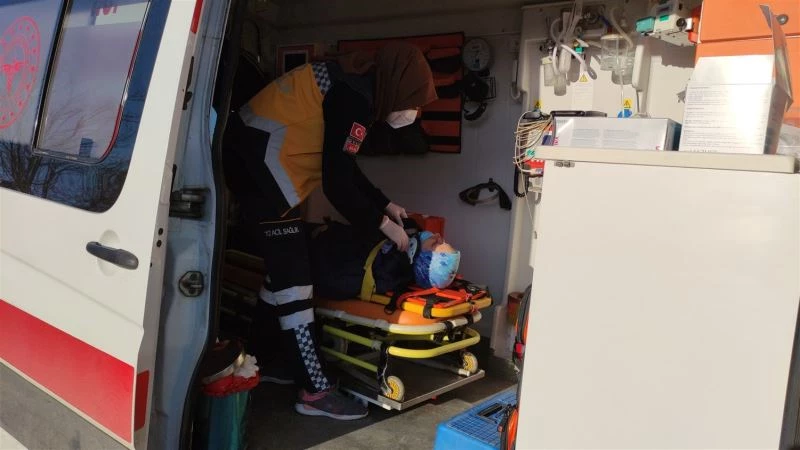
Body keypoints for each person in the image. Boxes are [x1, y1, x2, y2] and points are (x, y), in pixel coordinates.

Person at [221, 42, 438, 420]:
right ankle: (315, 391)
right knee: (295, 283)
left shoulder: (352, 84)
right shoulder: (354, 99)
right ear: (396, 84)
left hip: (255, 167)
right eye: (413, 101)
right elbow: (337, 183)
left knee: (281, 276)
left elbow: (343, 164)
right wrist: (383, 226)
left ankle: (262, 359)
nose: (413, 112)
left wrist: (385, 204)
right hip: (259, 174)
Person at [309, 220, 462, 301]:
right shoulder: (391, 258)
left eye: (436, 244)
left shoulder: (384, 268)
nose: (437, 236)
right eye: (442, 240)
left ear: (422, 262)